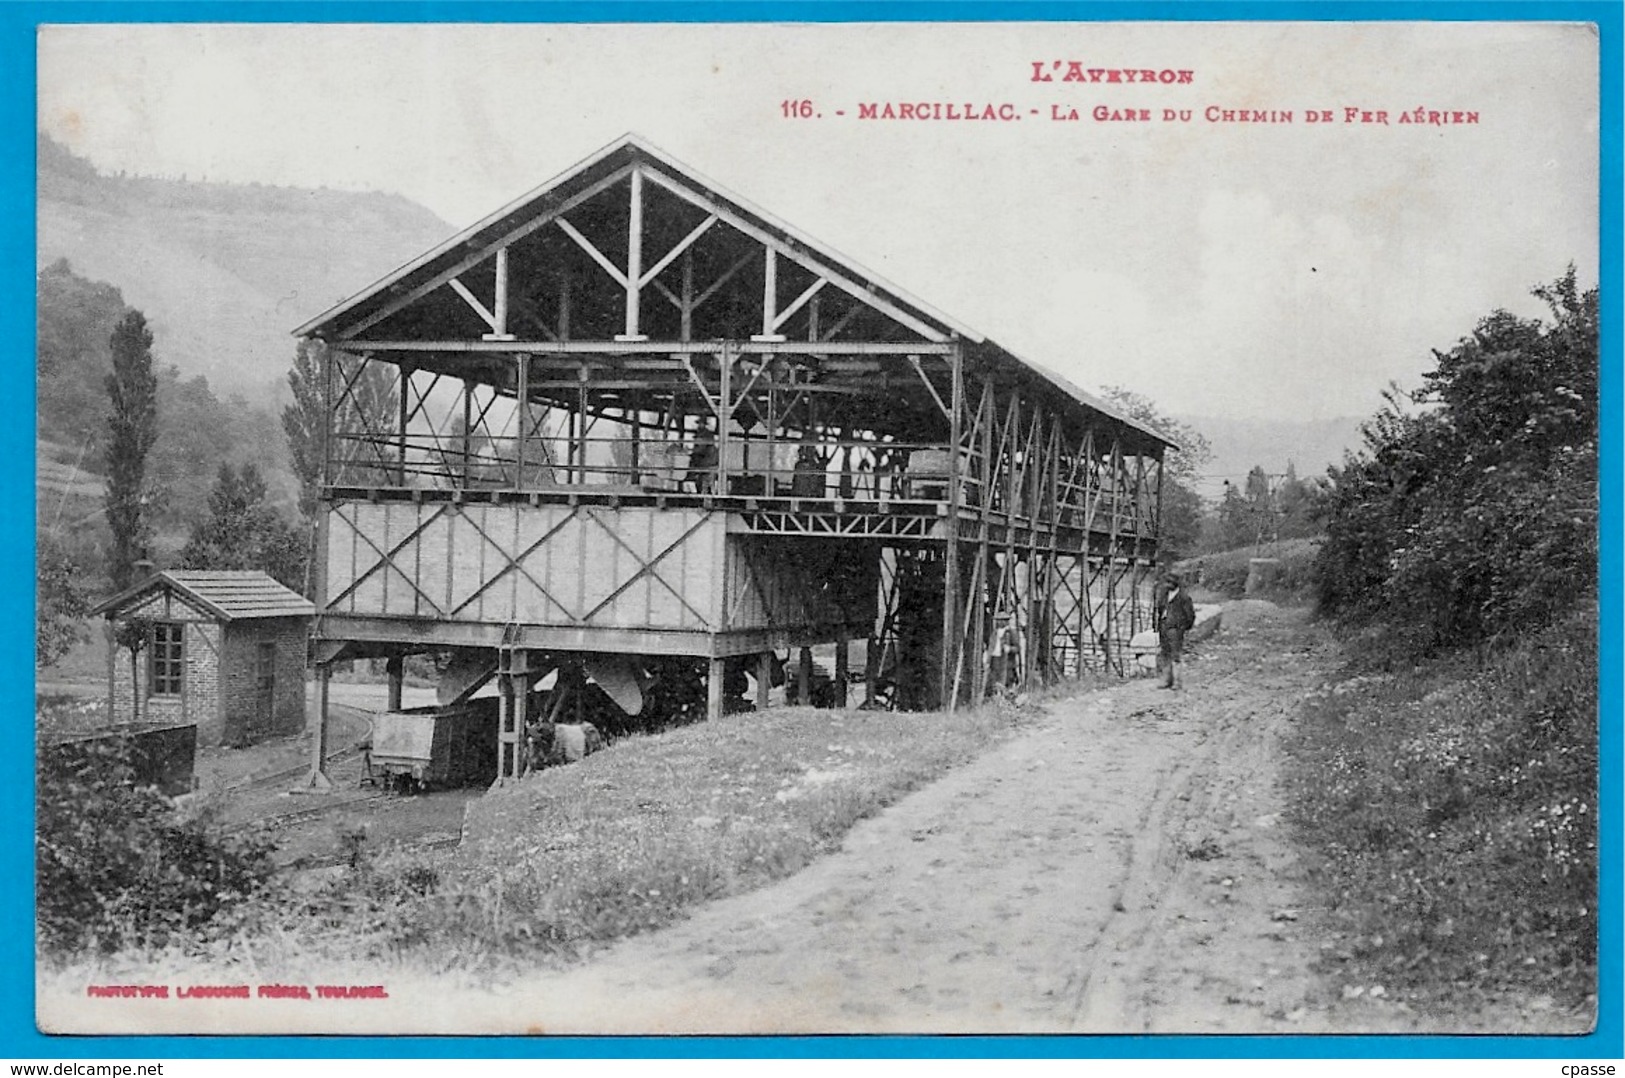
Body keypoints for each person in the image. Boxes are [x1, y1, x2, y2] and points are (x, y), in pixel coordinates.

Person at [1156, 571, 1196, 689]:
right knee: (1165, 654)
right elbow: (1159, 610)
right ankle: (1167, 680)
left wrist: (1182, 628)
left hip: (1175, 629)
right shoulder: (1164, 595)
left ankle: (1177, 682)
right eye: (1166, 582)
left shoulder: (1184, 598)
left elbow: (1190, 615)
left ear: (1176, 583)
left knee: (1175, 655)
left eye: (1170, 582)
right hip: (1164, 628)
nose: (1167, 585)